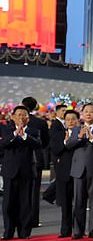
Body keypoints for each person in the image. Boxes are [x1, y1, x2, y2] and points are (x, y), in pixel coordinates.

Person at [0, 106, 42, 240]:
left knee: (25, 203)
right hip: (10, 170)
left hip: (27, 171)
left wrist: (25, 136)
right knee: (8, 203)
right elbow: (3, 144)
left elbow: (38, 145)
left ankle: (24, 232)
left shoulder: (33, 131)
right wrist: (14, 135)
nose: (21, 118)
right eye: (18, 115)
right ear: (13, 117)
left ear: (28, 118)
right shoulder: (6, 130)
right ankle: (8, 232)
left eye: (24, 115)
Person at [67, 103, 93, 238]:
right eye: (86, 112)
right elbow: (69, 145)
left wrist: (91, 138)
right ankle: (78, 231)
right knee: (78, 201)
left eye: (92, 112)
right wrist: (79, 137)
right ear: (82, 114)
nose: (89, 114)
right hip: (78, 169)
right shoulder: (76, 129)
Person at [50, 110, 81, 238]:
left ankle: (79, 230)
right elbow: (55, 150)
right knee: (66, 204)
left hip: (79, 171)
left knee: (79, 203)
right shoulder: (59, 135)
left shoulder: (82, 133)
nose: (70, 122)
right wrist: (65, 142)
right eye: (68, 119)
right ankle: (65, 230)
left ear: (78, 120)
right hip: (64, 172)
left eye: (73, 119)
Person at [21, 97, 50, 228]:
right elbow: (45, 142)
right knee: (34, 191)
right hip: (36, 158)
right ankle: (33, 220)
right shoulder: (41, 122)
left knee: (20, 190)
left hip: (20, 159)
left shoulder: (15, 120)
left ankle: (20, 219)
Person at [42, 104, 68, 204]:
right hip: (58, 155)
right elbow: (53, 141)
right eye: (63, 110)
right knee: (60, 178)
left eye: (66, 110)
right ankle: (50, 196)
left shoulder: (63, 124)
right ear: (57, 112)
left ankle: (51, 196)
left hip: (63, 154)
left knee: (61, 177)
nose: (64, 112)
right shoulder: (55, 124)